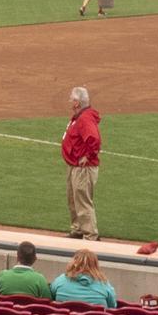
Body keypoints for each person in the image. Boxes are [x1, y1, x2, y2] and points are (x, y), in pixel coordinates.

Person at [62, 86, 101, 241]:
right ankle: (78, 229)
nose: (70, 101)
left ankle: (90, 234)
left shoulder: (84, 119)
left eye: (71, 99)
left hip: (83, 168)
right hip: (74, 166)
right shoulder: (79, 116)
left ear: (77, 103)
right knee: (73, 199)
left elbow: (94, 140)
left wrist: (88, 155)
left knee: (82, 200)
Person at [49, 248, 120, 308]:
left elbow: (51, 298)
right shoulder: (104, 284)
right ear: (95, 265)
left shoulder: (60, 280)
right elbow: (112, 307)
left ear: (74, 263)